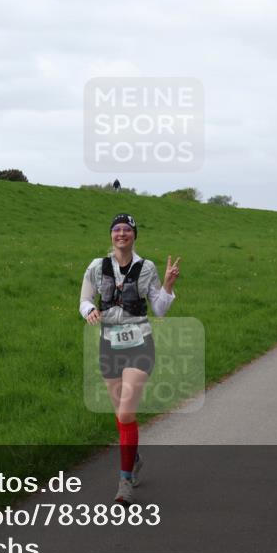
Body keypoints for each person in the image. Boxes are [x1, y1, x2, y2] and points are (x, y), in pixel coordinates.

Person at [79, 213, 180, 505]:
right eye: (117, 229)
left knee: (125, 413)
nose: (121, 234)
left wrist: (169, 285)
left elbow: (159, 309)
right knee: (120, 414)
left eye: (127, 230)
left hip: (140, 344)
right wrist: (89, 311)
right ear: (111, 235)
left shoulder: (146, 267)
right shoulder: (97, 267)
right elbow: (85, 299)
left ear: (134, 235)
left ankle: (124, 482)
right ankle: (132, 456)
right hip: (109, 344)